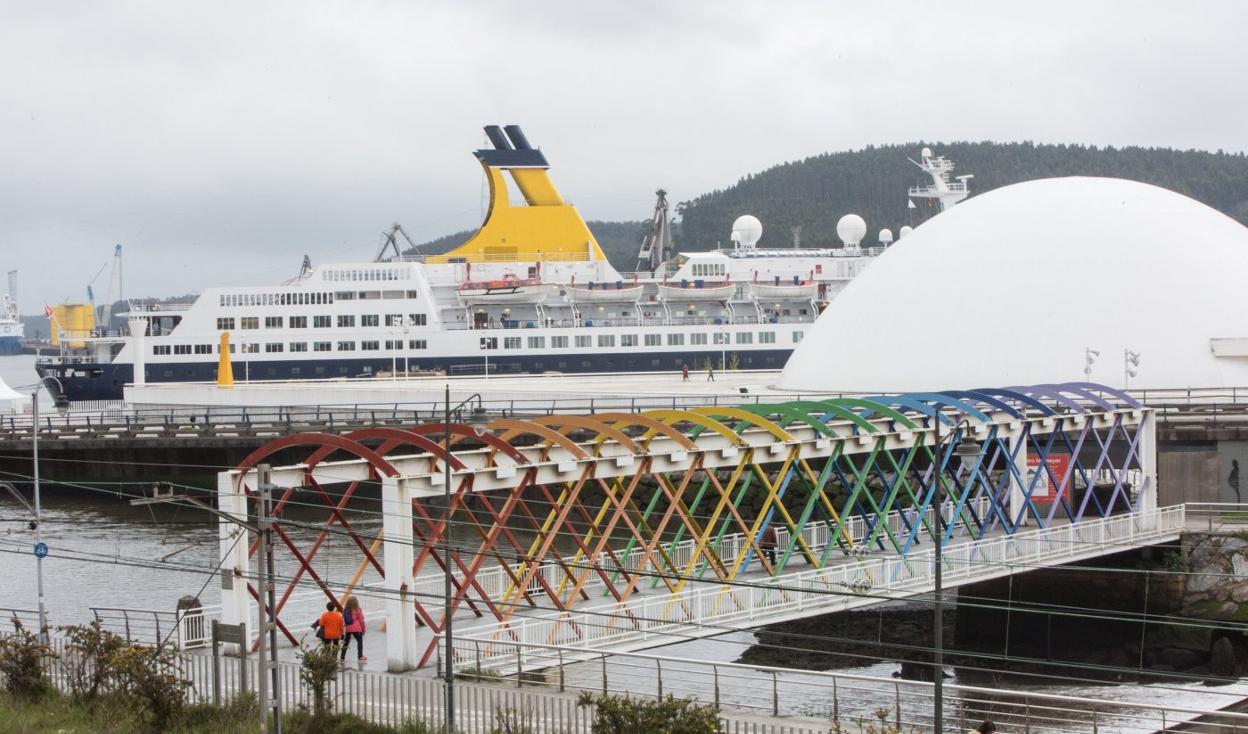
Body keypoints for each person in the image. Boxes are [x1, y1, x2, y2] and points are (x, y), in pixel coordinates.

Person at [340, 595, 367, 664]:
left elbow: (343, 619)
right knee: (360, 641)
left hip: (349, 628)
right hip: (357, 628)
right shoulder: (358, 609)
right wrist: (363, 629)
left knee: (346, 643)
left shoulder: (345, 610)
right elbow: (361, 620)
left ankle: (342, 658)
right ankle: (360, 656)